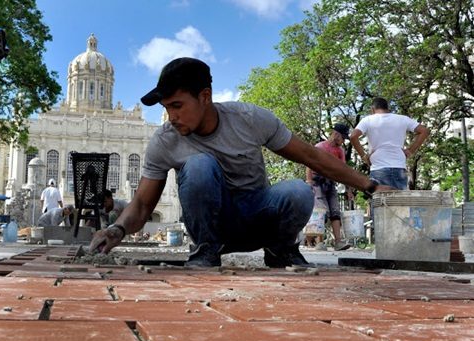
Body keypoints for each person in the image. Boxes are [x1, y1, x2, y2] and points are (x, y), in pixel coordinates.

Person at [89, 57, 388, 267]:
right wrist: (116, 230)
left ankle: (280, 250)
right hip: (213, 225)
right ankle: (206, 252)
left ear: (204, 96)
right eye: (167, 108)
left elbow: (311, 156)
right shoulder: (166, 139)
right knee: (198, 165)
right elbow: (142, 204)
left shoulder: (248, 119)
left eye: (178, 106)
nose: (172, 117)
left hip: (258, 214)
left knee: (298, 191)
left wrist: (370, 185)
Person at [349, 97, 430, 189]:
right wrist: (410, 151)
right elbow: (424, 131)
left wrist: (364, 156)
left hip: (378, 167)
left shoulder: (367, 120)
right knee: (399, 202)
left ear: (372, 109)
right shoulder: (403, 119)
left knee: (380, 202)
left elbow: (353, 136)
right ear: (387, 108)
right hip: (399, 167)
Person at [305, 124, 353, 251]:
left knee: (335, 210)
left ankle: (338, 242)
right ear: (336, 135)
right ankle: (320, 242)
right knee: (321, 210)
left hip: (330, 182)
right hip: (317, 181)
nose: (343, 141)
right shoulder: (320, 147)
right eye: (343, 138)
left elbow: (344, 171)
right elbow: (309, 162)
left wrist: (348, 189)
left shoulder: (340, 151)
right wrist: (309, 181)